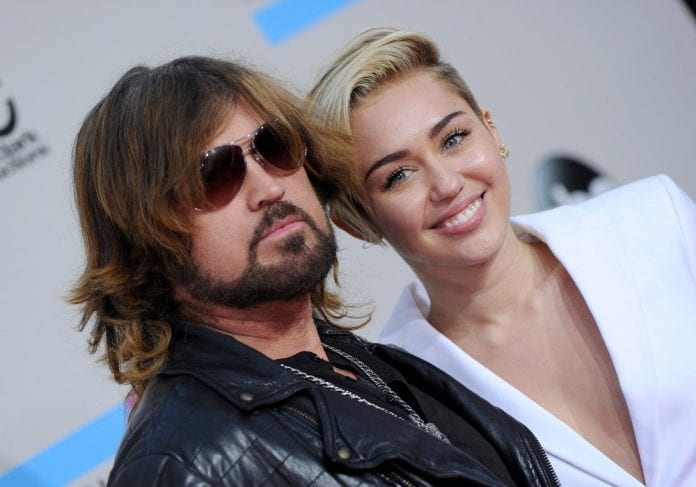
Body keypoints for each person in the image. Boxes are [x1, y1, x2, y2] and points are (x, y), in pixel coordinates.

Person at [69, 55, 561, 486]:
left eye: (274, 146)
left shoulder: (361, 362)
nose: (268, 188)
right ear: (144, 243)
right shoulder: (179, 465)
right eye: (214, 175)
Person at [308, 27, 696, 487]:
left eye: (453, 139)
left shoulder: (655, 219)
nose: (447, 184)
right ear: (358, 223)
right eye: (399, 176)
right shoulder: (403, 396)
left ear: (491, 130)